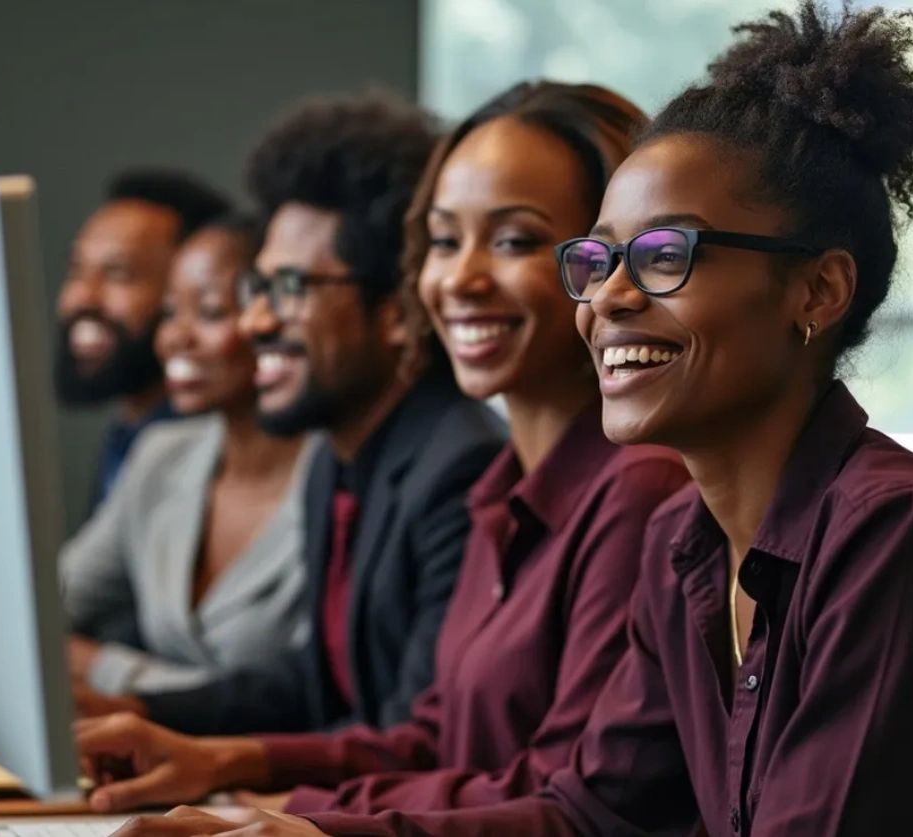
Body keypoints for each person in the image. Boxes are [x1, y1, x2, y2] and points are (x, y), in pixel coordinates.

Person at [95, 4, 913, 836]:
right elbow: (595, 812)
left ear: (819, 288)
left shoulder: (891, 533)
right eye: (594, 260)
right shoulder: (688, 540)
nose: (609, 298)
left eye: (666, 254)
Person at [74, 81, 689, 817]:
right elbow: (433, 737)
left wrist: (290, 812)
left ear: (601, 260)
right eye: (441, 240)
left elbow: (565, 800)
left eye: (515, 240)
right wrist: (221, 762)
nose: (460, 277)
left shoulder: (636, 490)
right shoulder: (501, 484)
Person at [76, 94, 506, 742]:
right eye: (259, 288)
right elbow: (310, 686)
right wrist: (145, 716)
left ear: (398, 311)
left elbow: (420, 741)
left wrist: (235, 771)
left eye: (291, 289)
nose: (258, 322)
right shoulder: (340, 459)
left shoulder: (462, 468)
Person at [60, 213, 319, 702]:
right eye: (170, 312)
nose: (176, 337)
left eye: (210, 311)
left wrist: (103, 667)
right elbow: (56, 598)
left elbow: (304, 699)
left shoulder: (336, 474)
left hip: (275, 769)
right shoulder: (162, 456)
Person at [56, 168, 232, 508]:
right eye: (77, 270)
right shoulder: (125, 435)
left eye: (119, 274)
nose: (83, 297)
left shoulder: (212, 453)